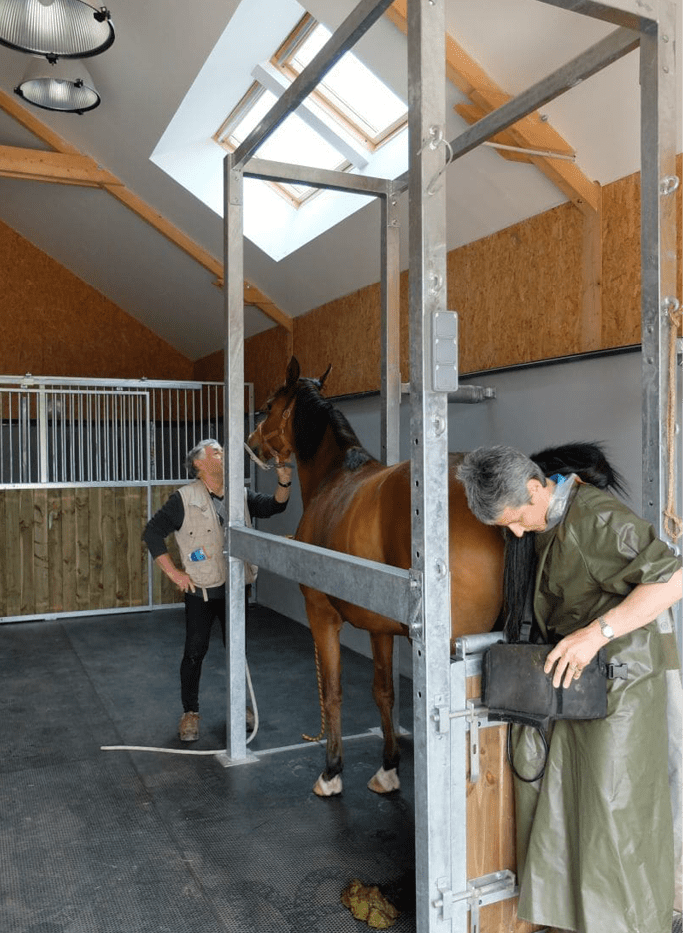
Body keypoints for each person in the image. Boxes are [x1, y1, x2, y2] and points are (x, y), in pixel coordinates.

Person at [457, 445, 683, 933]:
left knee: (616, 815)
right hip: (580, 683)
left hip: (619, 682)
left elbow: (673, 578)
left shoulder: (598, 519)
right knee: (576, 812)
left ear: (536, 487)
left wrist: (595, 633)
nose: (516, 533)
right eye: (506, 526)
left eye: (517, 518)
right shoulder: (554, 516)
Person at [143, 439, 292, 742]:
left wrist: (284, 482)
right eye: (216, 452)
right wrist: (174, 573)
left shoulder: (239, 494)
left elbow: (273, 506)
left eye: (223, 451)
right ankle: (190, 713)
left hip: (236, 588)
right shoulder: (183, 499)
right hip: (202, 591)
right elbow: (152, 533)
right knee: (195, 652)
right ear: (198, 464)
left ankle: (239, 706)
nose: (223, 454)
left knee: (237, 650)